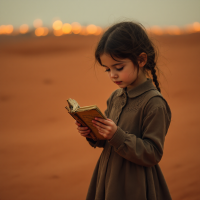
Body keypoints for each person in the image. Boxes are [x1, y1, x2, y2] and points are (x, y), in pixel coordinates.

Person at [75, 21, 172, 200]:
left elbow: (153, 153)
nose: (113, 74)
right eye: (108, 69)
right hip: (109, 178)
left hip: (135, 184)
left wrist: (116, 135)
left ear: (141, 60)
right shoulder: (115, 97)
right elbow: (108, 140)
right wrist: (92, 132)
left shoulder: (154, 103)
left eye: (118, 67)